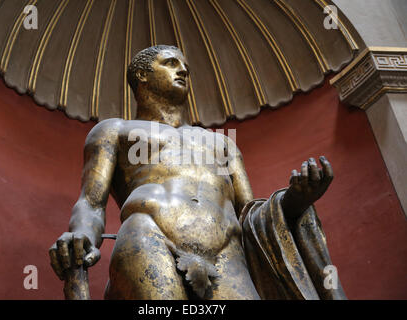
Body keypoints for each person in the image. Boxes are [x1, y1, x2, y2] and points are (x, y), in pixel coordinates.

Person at [49, 45, 346, 300]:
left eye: (185, 67)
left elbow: (250, 216)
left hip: (227, 251)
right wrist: (80, 236)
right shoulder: (115, 130)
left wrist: (294, 201)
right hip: (148, 233)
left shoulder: (221, 143)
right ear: (141, 75)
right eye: (170, 63)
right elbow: (91, 202)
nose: (183, 71)